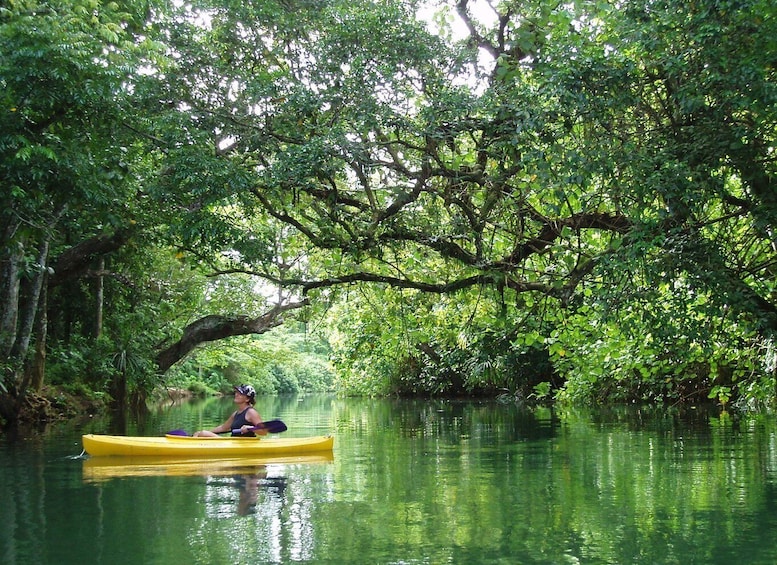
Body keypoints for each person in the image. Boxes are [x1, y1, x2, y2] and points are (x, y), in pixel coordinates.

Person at [193, 384, 268, 437]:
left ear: (247, 399)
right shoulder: (236, 413)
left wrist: (250, 428)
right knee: (200, 433)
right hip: (234, 442)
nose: (236, 394)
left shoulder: (251, 412)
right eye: (236, 392)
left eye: (240, 393)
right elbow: (223, 428)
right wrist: (208, 432)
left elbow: (264, 432)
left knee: (203, 433)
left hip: (244, 444)